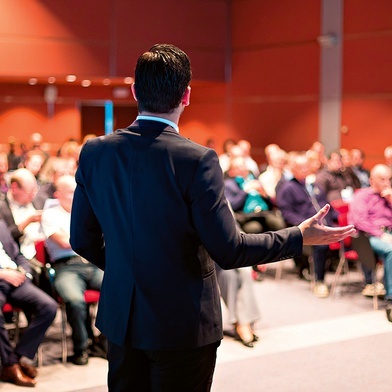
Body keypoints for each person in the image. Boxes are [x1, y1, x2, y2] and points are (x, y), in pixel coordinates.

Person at [69, 44, 355, 392]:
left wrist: (127, 270)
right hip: (182, 322)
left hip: (121, 320)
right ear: (186, 96)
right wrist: (298, 236)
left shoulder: (96, 152)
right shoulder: (197, 159)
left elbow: (82, 240)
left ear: (134, 92)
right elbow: (229, 250)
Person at [40, 175, 103, 365]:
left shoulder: (87, 211)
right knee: (75, 300)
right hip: (66, 267)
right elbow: (64, 242)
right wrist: (86, 239)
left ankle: (105, 341)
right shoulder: (50, 214)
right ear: (58, 195)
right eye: (70, 191)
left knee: (120, 288)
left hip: (93, 262)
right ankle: (81, 348)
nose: (76, 194)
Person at [0, 220, 57, 387]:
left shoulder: (2, 224)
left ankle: (13, 359)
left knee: (49, 307)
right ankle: (10, 366)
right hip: (2, 279)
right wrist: (3, 274)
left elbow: (17, 255)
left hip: (16, 280)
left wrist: (25, 272)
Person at [276, 152, 338, 297]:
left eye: (306, 167)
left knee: (354, 234)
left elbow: (326, 204)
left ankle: (369, 282)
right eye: (301, 167)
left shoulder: (313, 185)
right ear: (293, 168)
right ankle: (319, 281)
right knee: (322, 243)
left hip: (325, 224)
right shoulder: (288, 188)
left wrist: (337, 217)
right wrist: (305, 224)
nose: (305, 169)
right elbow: (287, 214)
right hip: (305, 229)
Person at [348, 164, 392, 321]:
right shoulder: (362, 195)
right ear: (372, 180)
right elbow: (359, 221)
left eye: (389, 179)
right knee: (390, 250)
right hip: (368, 237)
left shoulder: (388, 197)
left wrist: (390, 199)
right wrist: (381, 234)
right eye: (382, 179)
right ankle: (391, 299)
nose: (387, 183)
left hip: (389, 233)